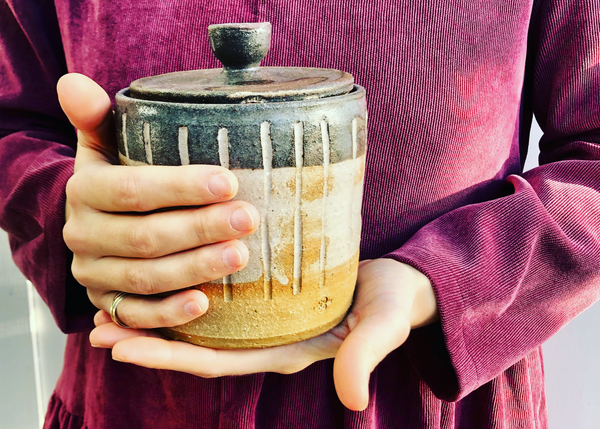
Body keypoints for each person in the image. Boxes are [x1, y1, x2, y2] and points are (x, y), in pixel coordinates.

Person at [1, 0, 599, 427]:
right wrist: (67, 215)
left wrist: (446, 279)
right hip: (140, 397)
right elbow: (13, 126)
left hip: (427, 402)